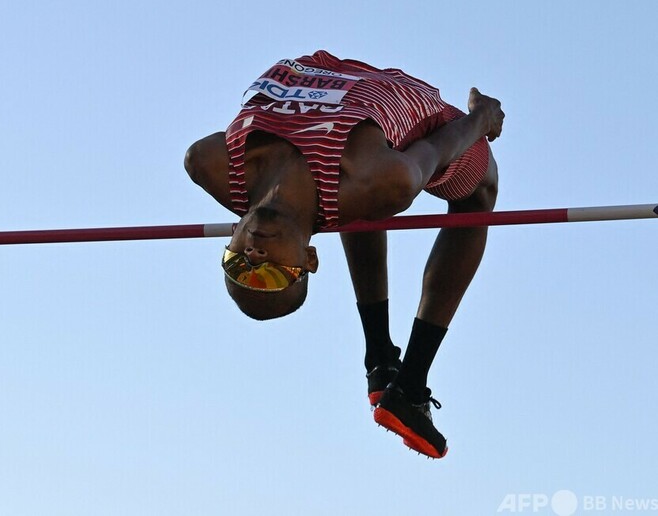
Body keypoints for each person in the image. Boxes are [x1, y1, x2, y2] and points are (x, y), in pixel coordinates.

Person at [184, 50, 504, 459]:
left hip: (320, 71)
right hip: (402, 102)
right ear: (309, 260)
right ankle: (410, 381)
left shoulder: (209, 164)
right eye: (270, 275)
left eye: (238, 266)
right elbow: (439, 150)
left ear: (231, 238)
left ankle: (380, 360)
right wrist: (479, 120)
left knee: (343, 196)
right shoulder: (383, 179)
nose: (256, 257)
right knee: (480, 191)